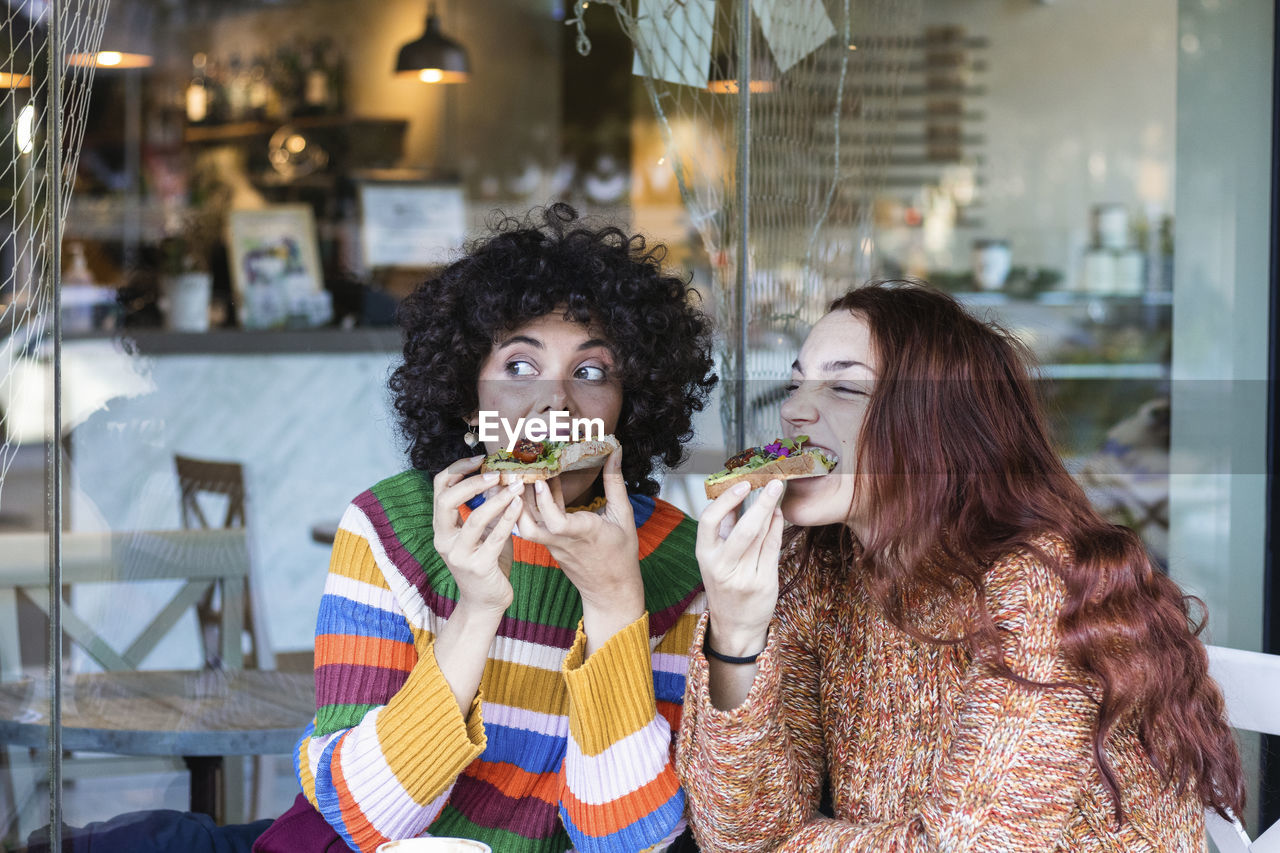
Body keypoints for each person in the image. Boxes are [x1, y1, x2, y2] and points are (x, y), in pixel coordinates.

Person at [675, 281, 1244, 852]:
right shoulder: (817, 569)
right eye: (797, 382)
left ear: (937, 427)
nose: (794, 409)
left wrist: (789, 844)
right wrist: (736, 630)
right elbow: (736, 835)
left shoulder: (1038, 583)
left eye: (845, 386)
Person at [253, 204, 716, 853]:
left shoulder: (679, 562)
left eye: (591, 371)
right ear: (470, 400)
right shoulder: (391, 529)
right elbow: (360, 818)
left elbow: (631, 845)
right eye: (520, 367)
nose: (556, 401)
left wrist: (614, 603)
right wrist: (475, 612)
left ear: (627, 408)